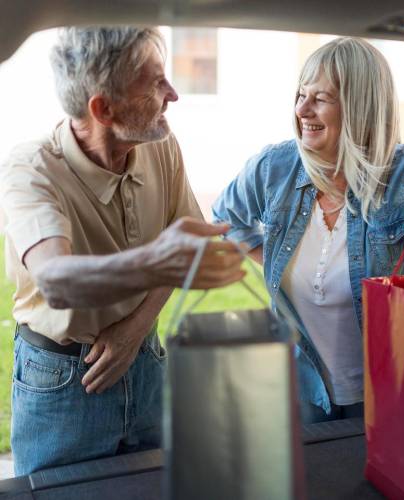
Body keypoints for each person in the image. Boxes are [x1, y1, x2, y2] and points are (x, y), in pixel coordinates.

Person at [213, 37, 404, 424]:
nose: (302, 110)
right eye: (300, 94)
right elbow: (225, 218)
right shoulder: (274, 166)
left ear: (359, 107)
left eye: (321, 98)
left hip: (385, 391)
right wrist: (267, 261)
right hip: (297, 389)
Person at [0, 26, 244, 475]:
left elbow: (181, 242)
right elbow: (54, 279)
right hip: (64, 380)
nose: (173, 94)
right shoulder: (29, 168)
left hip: (145, 356)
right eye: (155, 82)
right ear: (104, 108)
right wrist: (156, 262)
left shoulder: (162, 145)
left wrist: (134, 331)